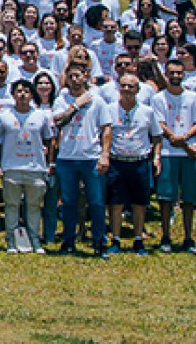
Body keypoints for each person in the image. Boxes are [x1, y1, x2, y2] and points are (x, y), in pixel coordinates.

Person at [50, 63, 113, 258]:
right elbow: (58, 121)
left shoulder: (98, 101)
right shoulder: (62, 99)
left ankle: (99, 242)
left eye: (78, 76)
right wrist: (76, 105)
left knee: (96, 202)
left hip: (91, 156)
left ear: (86, 76)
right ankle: (69, 241)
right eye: (71, 76)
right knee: (69, 202)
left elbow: (106, 129)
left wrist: (105, 154)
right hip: (67, 157)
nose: (75, 80)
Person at [0, 78, 55, 254]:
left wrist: (49, 163)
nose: (22, 95)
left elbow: (49, 140)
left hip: (35, 168)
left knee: (34, 207)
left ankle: (35, 241)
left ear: (31, 95)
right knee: (11, 206)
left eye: (26, 92)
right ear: (13, 95)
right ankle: (11, 241)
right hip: (12, 168)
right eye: (19, 91)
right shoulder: (4, 116)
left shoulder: (40, 115)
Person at [103, 73, 162, 254]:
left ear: (138, 90)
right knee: (116, 202)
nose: (127, 90)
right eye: (124, 86)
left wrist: (157, 157)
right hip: (117, 161)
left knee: (139, 202)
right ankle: (116, 239)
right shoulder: (110, 109)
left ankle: (138, 239)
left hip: (139, 161)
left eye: (131, 86)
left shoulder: (147, 111)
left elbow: (157, 136)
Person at [153, 59, 196, 252]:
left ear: (184, 75)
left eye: (179, 73)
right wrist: (176, 139)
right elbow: (160, 123)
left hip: (189, 153)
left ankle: (188, 237)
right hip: (168, 152)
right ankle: (165, 236)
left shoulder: (192, 97)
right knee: (166, 197)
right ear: (166, 74)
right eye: (172, 73)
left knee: (189, 197)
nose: (175, 76)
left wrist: (183, 139)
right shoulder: (159, 98)